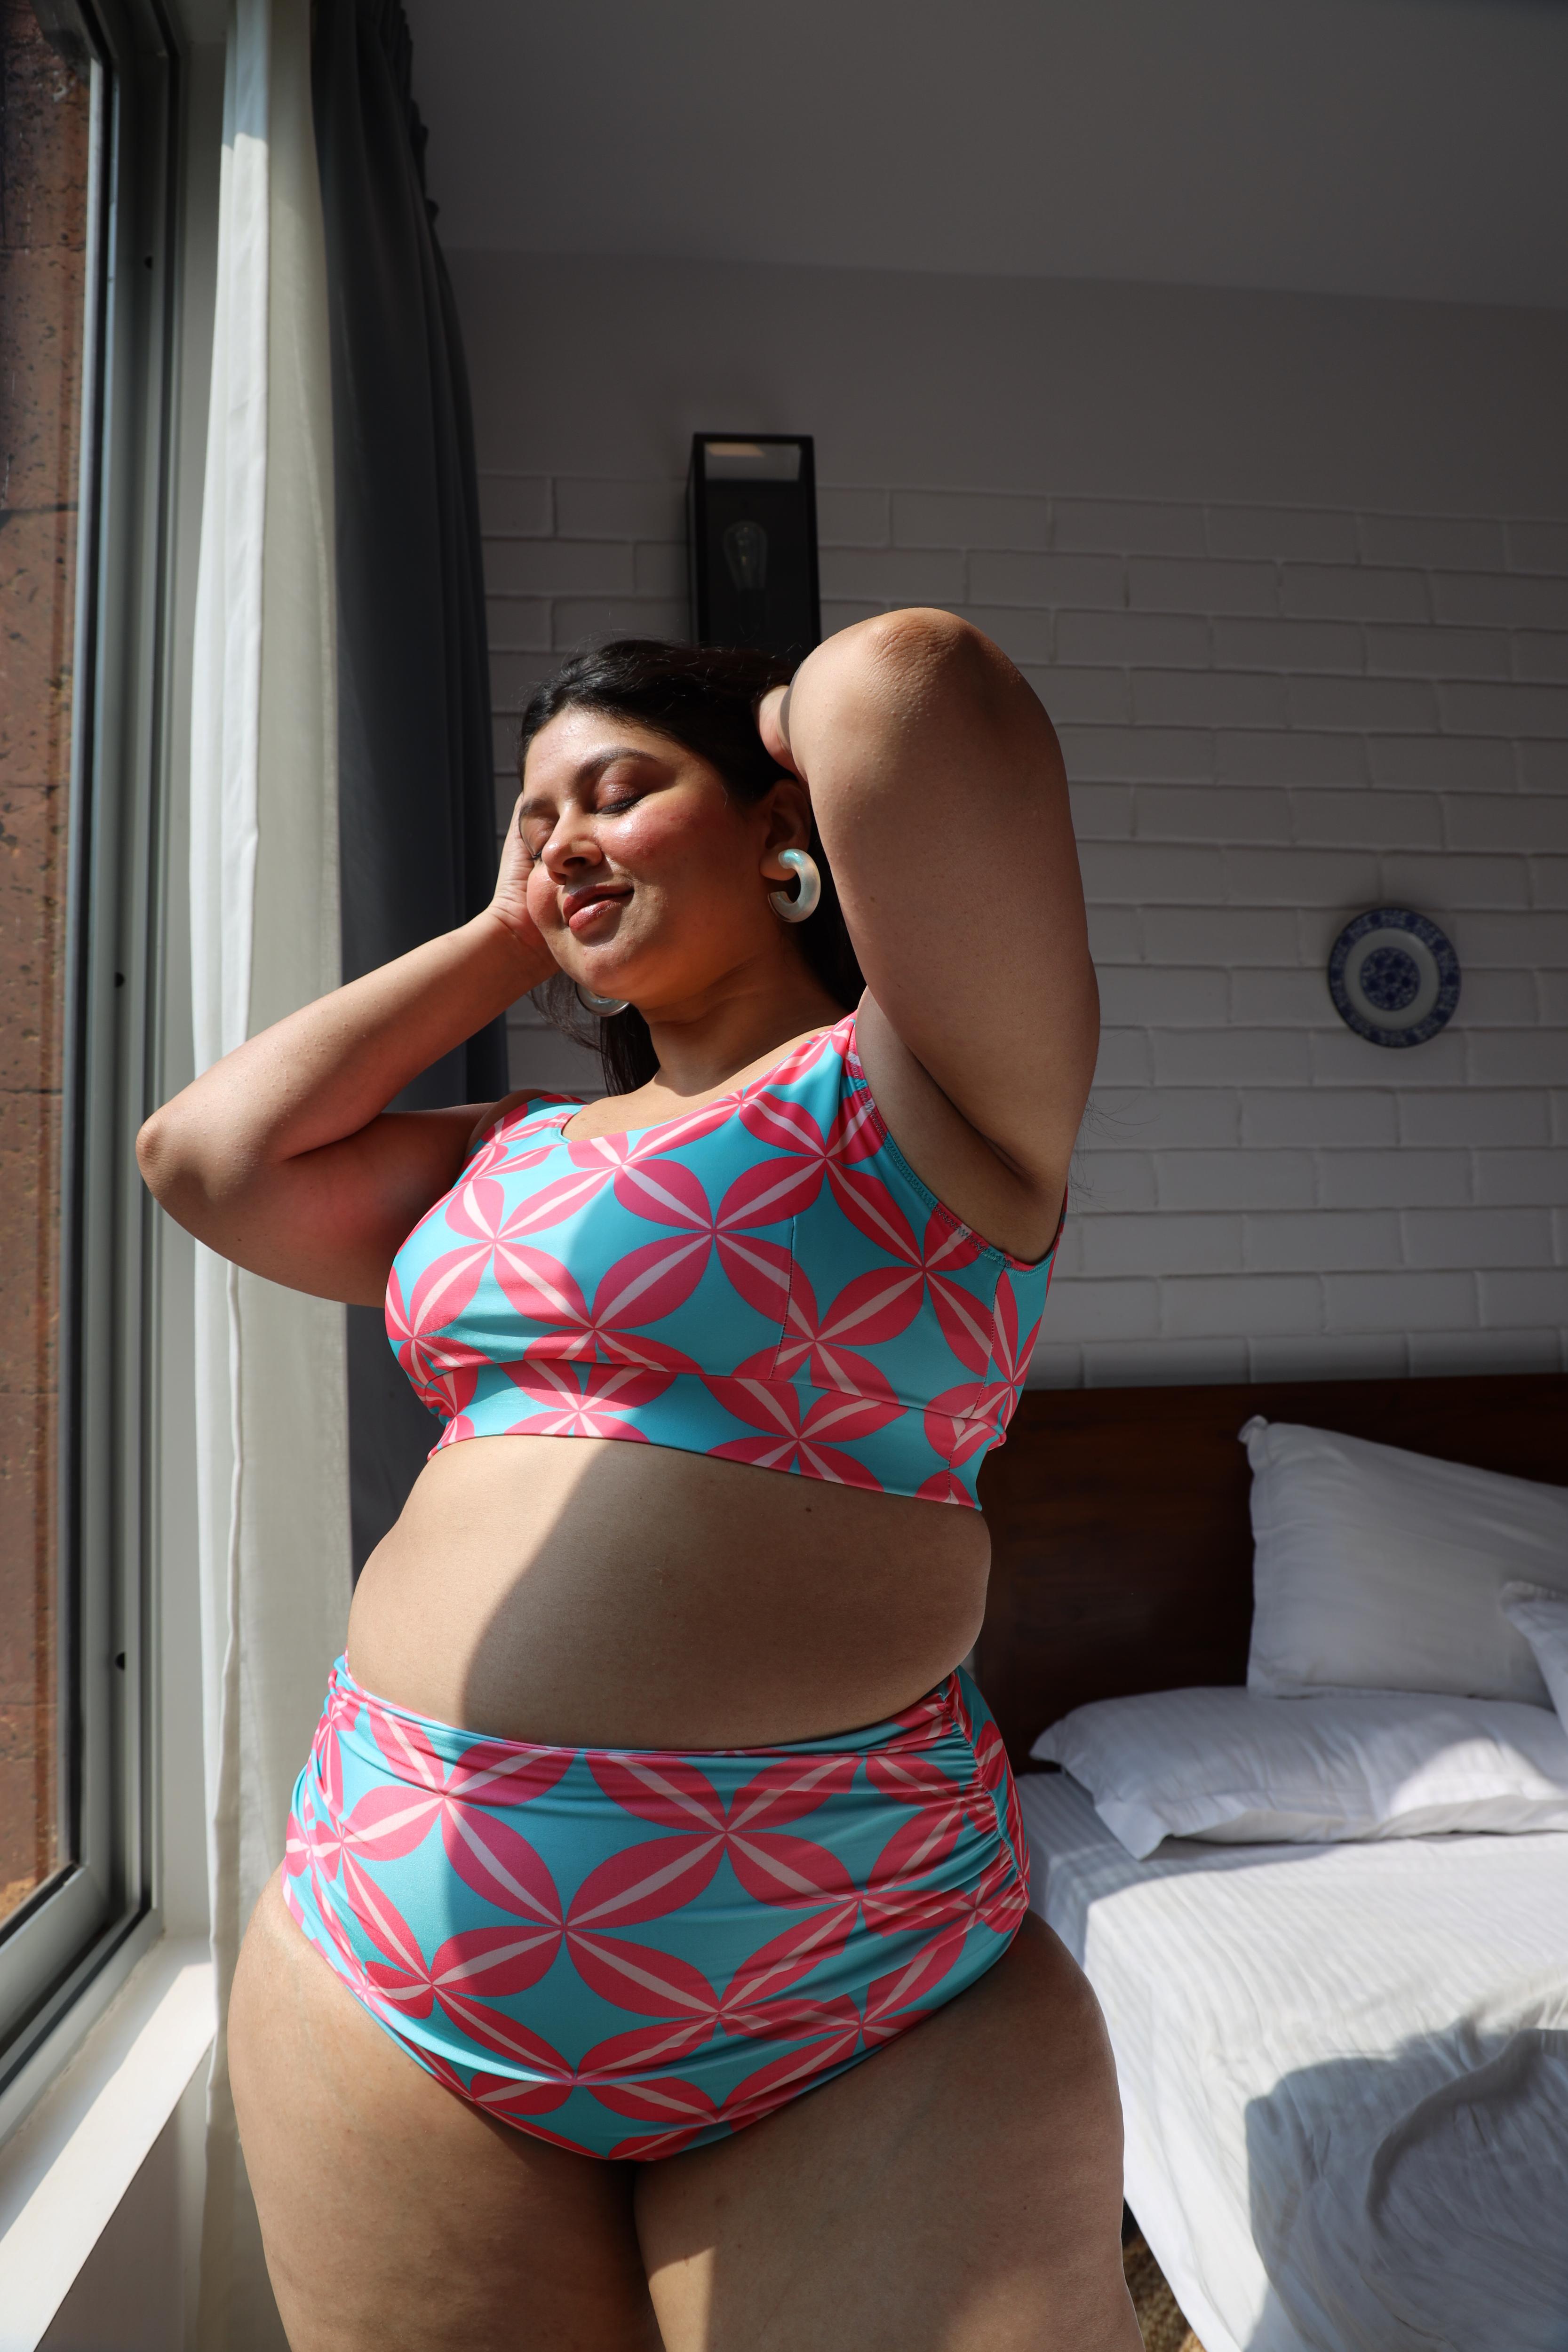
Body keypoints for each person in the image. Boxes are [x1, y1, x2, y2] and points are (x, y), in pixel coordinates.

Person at [139, 610, 1136, 2352]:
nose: (564, 836)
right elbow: (208, 1159)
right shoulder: (510, 1151)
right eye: (533, 814)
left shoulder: (929, 1087)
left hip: (845, 1974)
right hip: (386, 1945)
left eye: (621, 789)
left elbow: (914, 682)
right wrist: (516, 925)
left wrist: (764, 736)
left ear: (780, 832)